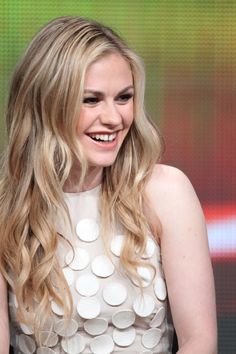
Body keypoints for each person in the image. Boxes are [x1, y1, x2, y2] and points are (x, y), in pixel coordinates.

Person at [0, 16, 217, 354]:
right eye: (91, 100)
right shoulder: (7, 208)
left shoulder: (167, 191)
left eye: (124, 97)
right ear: (47, 104)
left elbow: (199, 341)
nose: (115, 118)